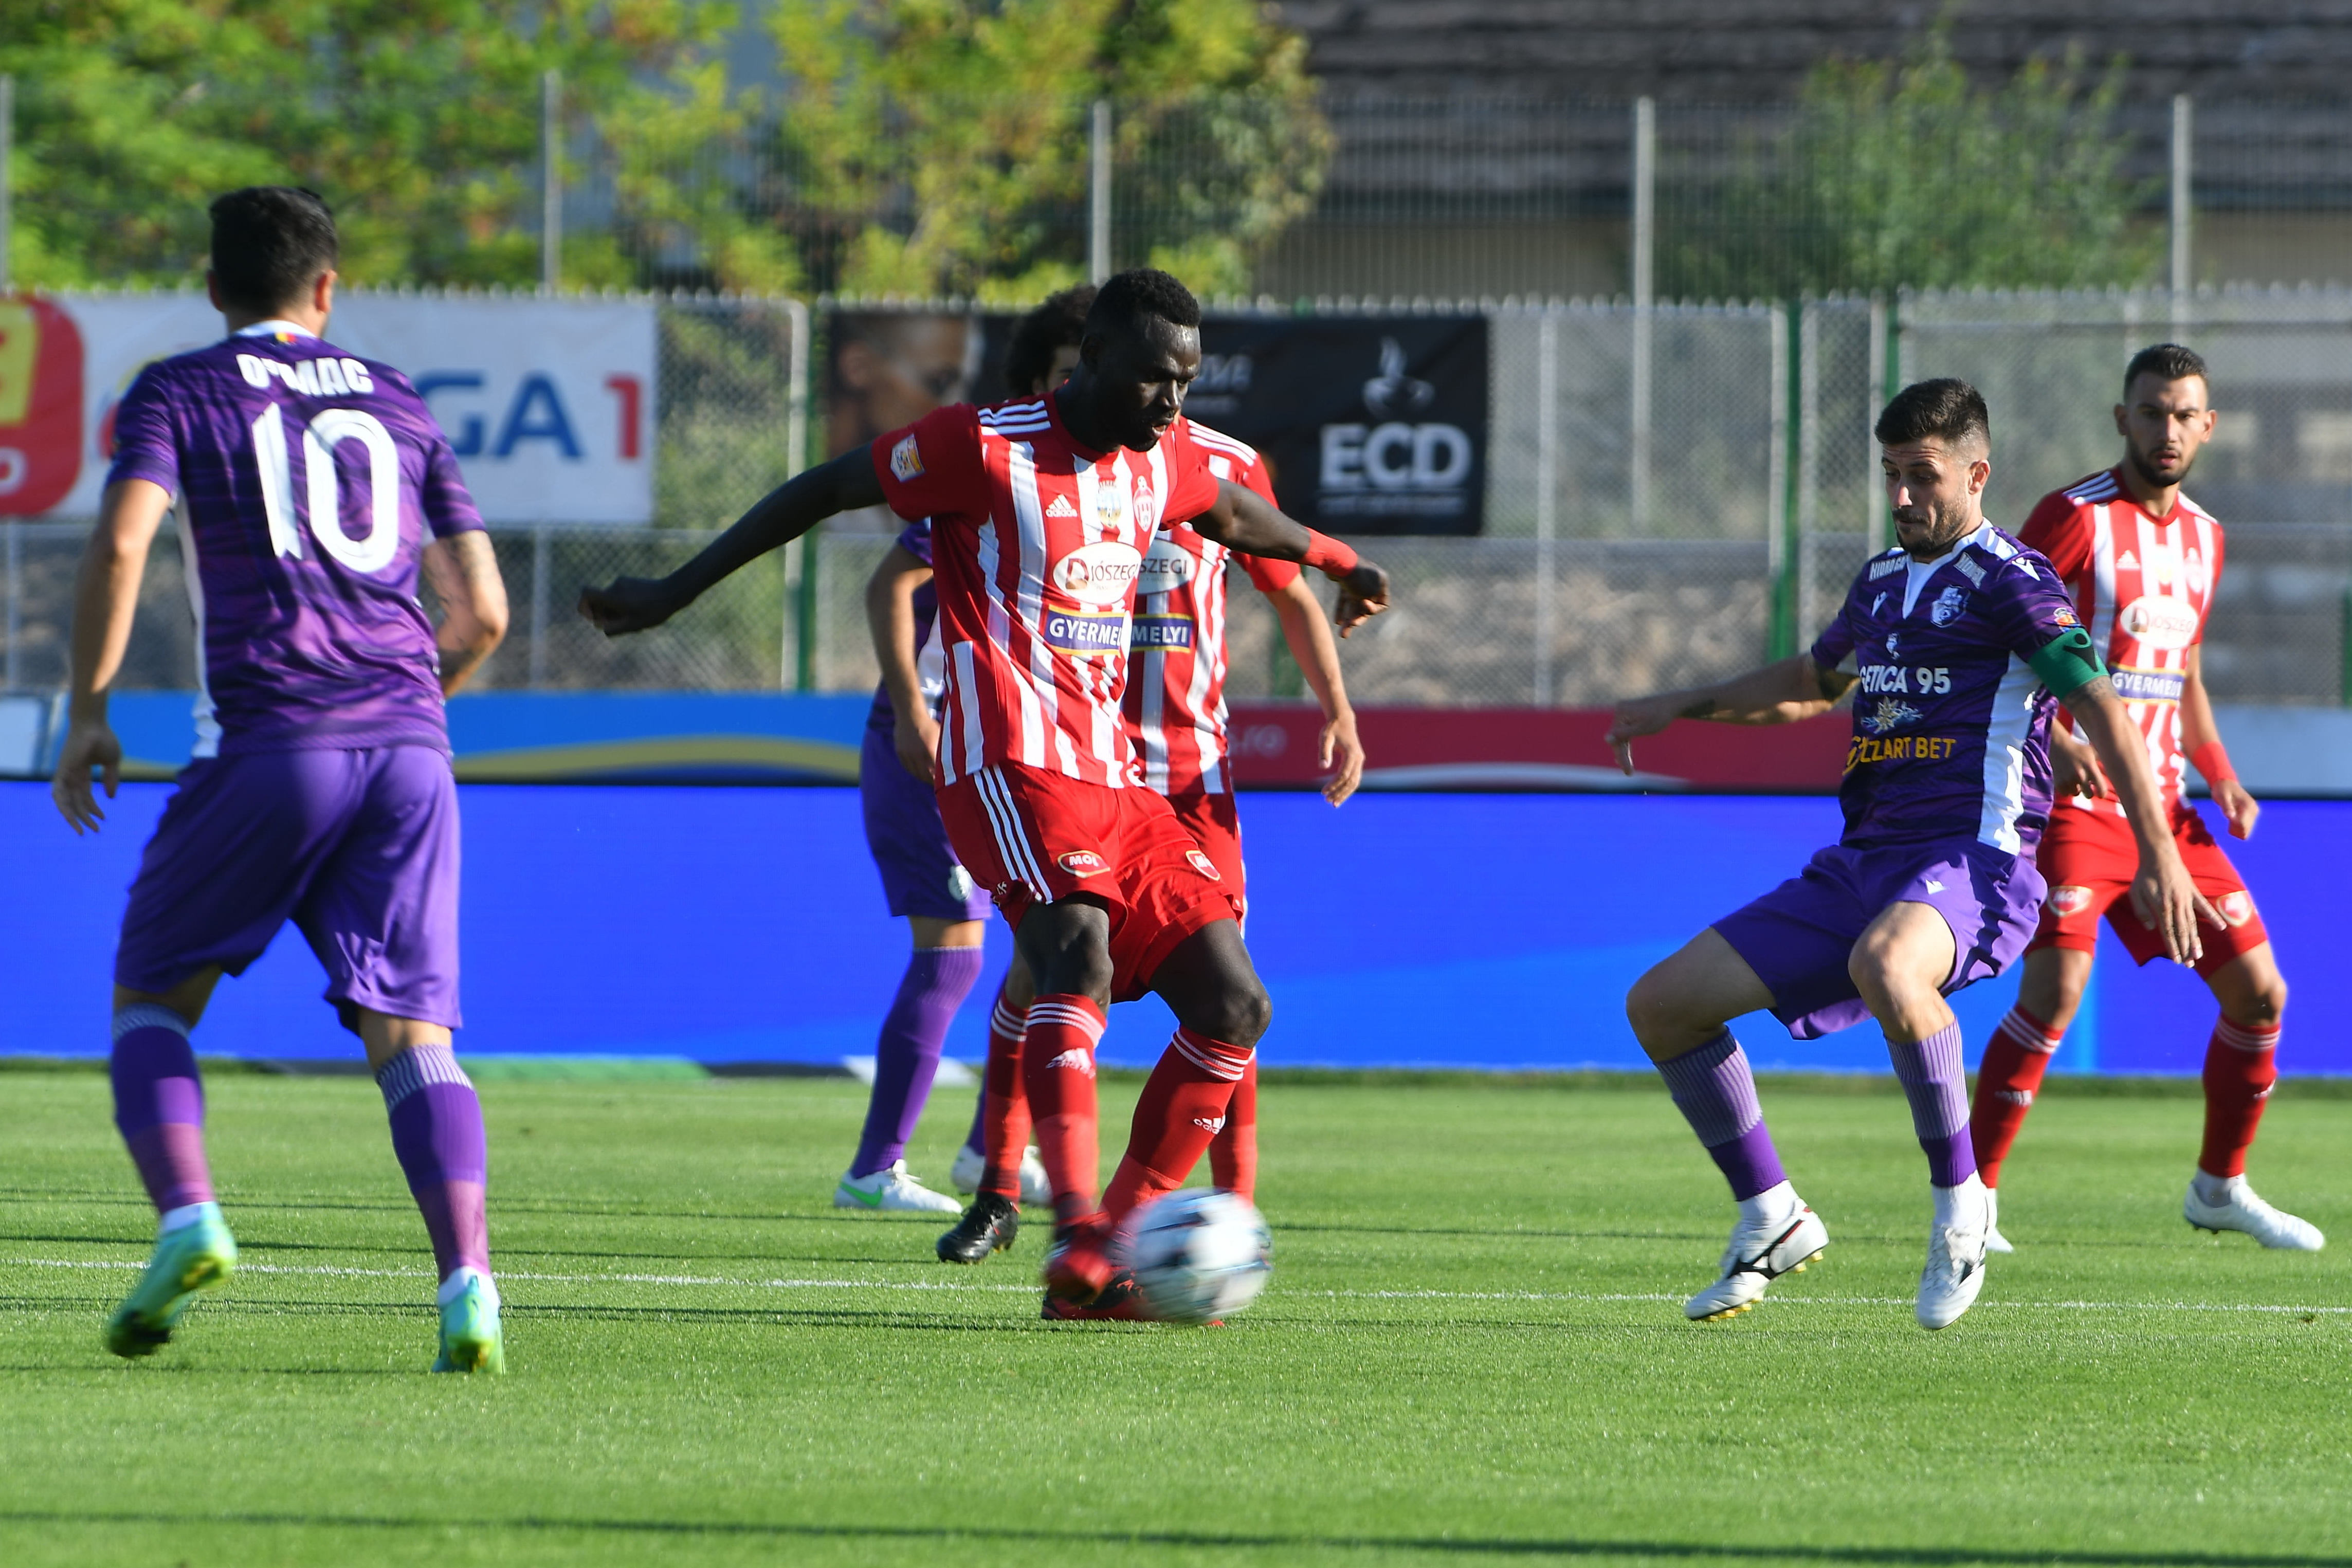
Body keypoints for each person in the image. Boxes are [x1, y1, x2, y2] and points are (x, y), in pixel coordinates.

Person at [580, 268, 1389, 1314]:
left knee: (1235, 1003)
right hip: (1006, 758)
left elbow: (1235, 512)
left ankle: (1109, 1249)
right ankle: (1073, 1224)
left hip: (1121, 773)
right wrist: (674, 590)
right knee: (1075, 956)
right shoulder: (980, 444)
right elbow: (828, 488)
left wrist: (1337, 558)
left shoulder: (1164, 459)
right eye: (1152, 379)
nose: (1171, 404)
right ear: (1091, 360)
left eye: (1184, 382)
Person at [1607, 378, 2210, 1332]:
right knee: (1662, 1005)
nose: (1900, 496)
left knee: (1889, 963)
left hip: (1977, 863)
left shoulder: (2015, 581)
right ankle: (1771, 1215)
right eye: (1890, 474)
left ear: (1976, 473)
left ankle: (1962, 1207)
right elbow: (1812, 682)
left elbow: (2103, 705)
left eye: (1921, 475)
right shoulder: (1883, 581)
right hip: (1864, 864)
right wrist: (1683, 703)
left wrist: (2160, 853)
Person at [50, 187, 513, 1371]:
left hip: (271, 739)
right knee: (415, 1034)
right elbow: (485, 612)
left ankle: (190, 1216)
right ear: (327, 290)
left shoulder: (179, 389)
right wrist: (408, 714)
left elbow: (120, 540)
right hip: (413, 748)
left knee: (151, 997)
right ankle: (469, 1284)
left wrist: (90, 711)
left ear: (214, 290)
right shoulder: (398, 400)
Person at [932, 288, 1367, 1274]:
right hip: (1064, 762)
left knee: (1227, 992)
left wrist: (1337, 709)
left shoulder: (1206, 463)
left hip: (1187, 772)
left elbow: (1289, 580)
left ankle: (1224, 1214)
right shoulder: (1020, 467)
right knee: (1048, 965)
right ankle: (1004, 1185)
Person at [1967, 344, 2320, 1253]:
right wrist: (2060, 736)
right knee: (2057, 990)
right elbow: (1996, 643)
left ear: (2208, 425)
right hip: (2079, 801)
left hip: (2169, 808)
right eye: (2152, 412)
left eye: (2184, 414)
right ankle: (1975, 1196)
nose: (2168, 430)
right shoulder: (2072, 519)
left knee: (2260, 994)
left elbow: (2184, 669)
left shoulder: (2206, 535)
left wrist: (2220, 765)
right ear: (2122, 418)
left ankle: (2219, 1187)